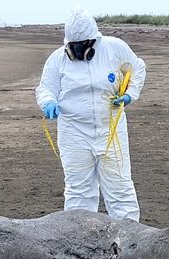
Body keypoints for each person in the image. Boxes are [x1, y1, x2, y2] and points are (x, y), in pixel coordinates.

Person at [35, 7, 146, 222]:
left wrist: (131, 94)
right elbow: (45, 87)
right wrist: (48, 102)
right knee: (78, 189)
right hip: (74, 131)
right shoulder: (57, 59)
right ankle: (79, 234)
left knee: (120, 186)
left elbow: (137, 68)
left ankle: (129, 237)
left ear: (93, 41)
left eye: (82, 46)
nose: (78, 51)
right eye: (74, 47)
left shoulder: (114, 48)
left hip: (110, 129)